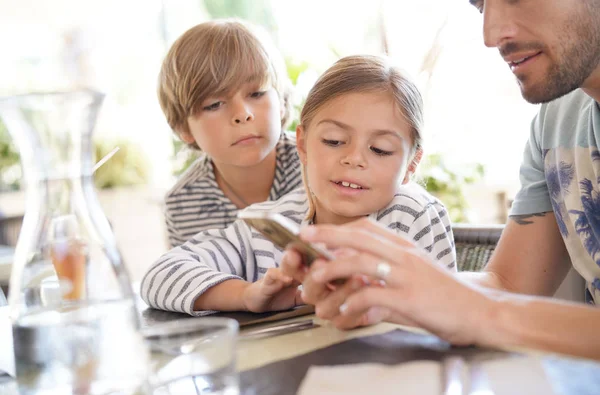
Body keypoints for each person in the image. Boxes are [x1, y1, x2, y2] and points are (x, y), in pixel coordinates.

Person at [282, 0, 600, 360]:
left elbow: (492, 307)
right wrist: (389, 291)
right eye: (481, 6)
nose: (491, 35)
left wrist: (483, 313)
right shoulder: (557, 121)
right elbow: (507, 286)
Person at [140, 55, 456, 316]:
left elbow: (447, 315)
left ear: (411, 164)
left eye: (381, 149)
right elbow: (160, 275)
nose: (354, 159)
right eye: (334, 141)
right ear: (303, 144)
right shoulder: (265, 225)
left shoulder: (414, 216)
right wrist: (248, 294)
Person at [157, 20, 303, 248]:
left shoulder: (319, 165)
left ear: (281, 102)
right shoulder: (183, 204)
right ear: (184, 128)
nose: (242, 114)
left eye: (257, 93)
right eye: (214, 104)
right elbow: (190, 280)